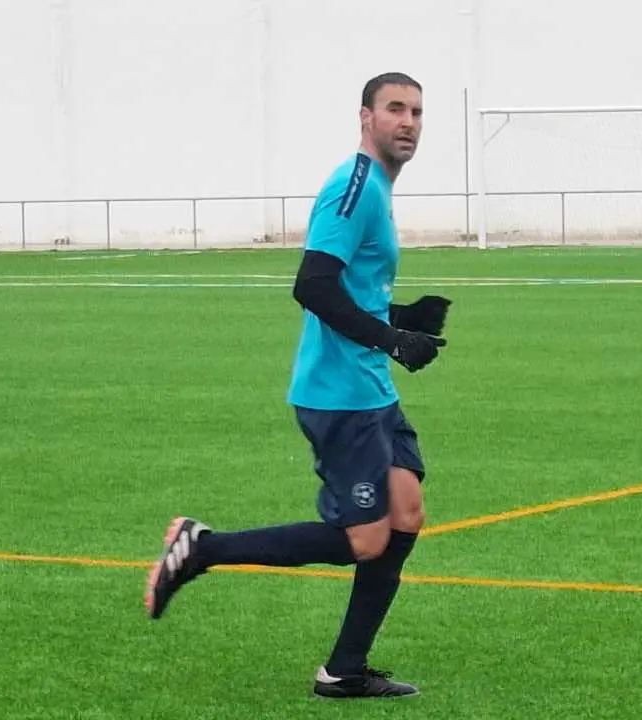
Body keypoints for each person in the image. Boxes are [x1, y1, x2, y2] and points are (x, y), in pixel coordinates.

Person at [144, 71, 451, 700]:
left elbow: (351, 292)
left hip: (370, 389)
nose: (409, 122)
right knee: (366, 539)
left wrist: (402, 317)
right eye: (395, 109)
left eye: (417, 112)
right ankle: (201, 547)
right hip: (338, 395)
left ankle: (343, 670)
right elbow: (311, 285)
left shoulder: (378, 190)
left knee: (407, 511)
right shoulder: (356, 186)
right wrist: (392, 341)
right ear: (366, 117)